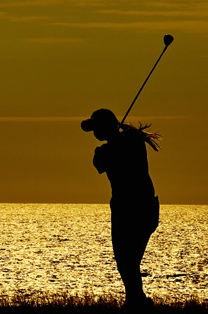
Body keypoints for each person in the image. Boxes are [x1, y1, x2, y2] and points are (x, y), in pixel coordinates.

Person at [82, 108, 159, 308]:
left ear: (106, 126)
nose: (95, 133)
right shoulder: (104, 151)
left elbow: (128, 146)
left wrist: (115, 142)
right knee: (126, 261)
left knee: (128, 260)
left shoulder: (132, 140)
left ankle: (136, 302)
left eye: (96, 128)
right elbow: (100, 164)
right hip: (124, 209)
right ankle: (136, 301)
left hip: (140, 207)